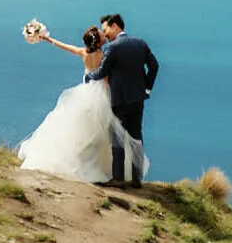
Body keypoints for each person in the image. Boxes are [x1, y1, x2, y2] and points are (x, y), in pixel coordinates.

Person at [17, 24, 147, 184]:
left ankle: (81, 162)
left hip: (85, 93)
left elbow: (64, 46)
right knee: (103, 135)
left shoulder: (83, 52)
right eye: (101, 34)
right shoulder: (103, 55)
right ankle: (100, 169)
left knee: (84, 131)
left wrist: (47, 38)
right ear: (98, 43)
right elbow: (106, 79)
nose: (103, 34)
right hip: (102, 96)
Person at [84, 13, 159, 187]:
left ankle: (118, 178)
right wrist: (146, 88)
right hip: (138, 99)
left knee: (117, 139)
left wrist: (89, 77)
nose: (105, 34)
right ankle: (136, 179)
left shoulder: (113, 47)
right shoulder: (140, 43)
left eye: (106, 29)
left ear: (115, 26)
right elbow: (154, 66)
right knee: (136, 136)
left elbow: (102, 72)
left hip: (119, 100)